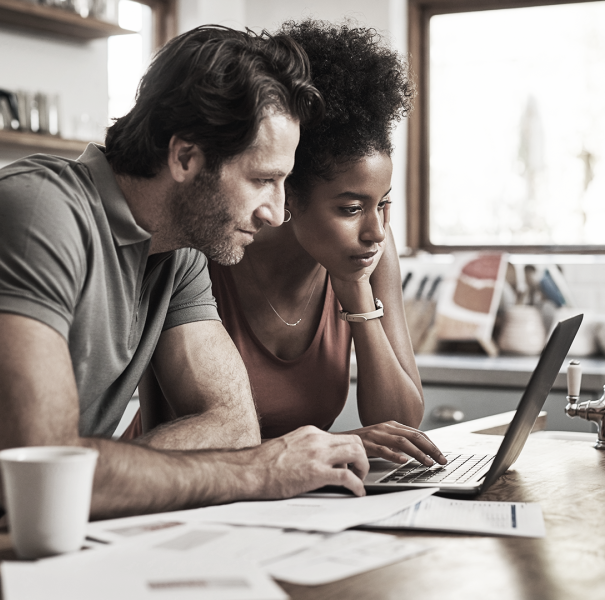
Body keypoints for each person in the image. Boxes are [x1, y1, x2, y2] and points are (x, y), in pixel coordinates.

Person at [0, 25, 369, 541]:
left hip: (31, 534)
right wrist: (261, 470)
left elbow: (233, 426)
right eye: (261, 180)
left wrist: (92, 478)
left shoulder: (177, 252)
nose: (276, 213)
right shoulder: (35, 215)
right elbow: (43, 474)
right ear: (185, 157)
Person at [124, 20, 447, 468]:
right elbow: (187, 428)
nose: (376, 230)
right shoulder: (210, 245)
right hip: (181, 481)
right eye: (351, 209)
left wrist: (354, 292)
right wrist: (336, 445)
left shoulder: (367, 252)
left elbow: (402, 423)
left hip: (291, 491)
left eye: (384, 204)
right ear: (288, 192)